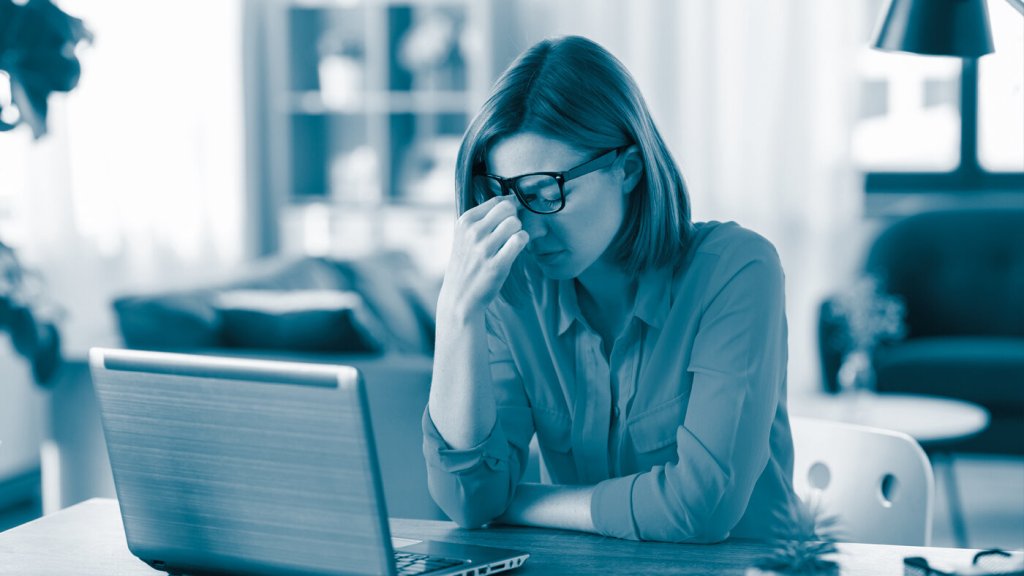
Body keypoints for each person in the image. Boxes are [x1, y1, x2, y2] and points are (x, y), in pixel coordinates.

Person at [422, 35, 799, 543]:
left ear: (628, 168)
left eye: (545, 191)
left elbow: (700, 508)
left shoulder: (737, 269)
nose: (527, 229)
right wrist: (455, 315)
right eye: (506, 196)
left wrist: (521, 501)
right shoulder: (512, 295)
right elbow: (468, 501)